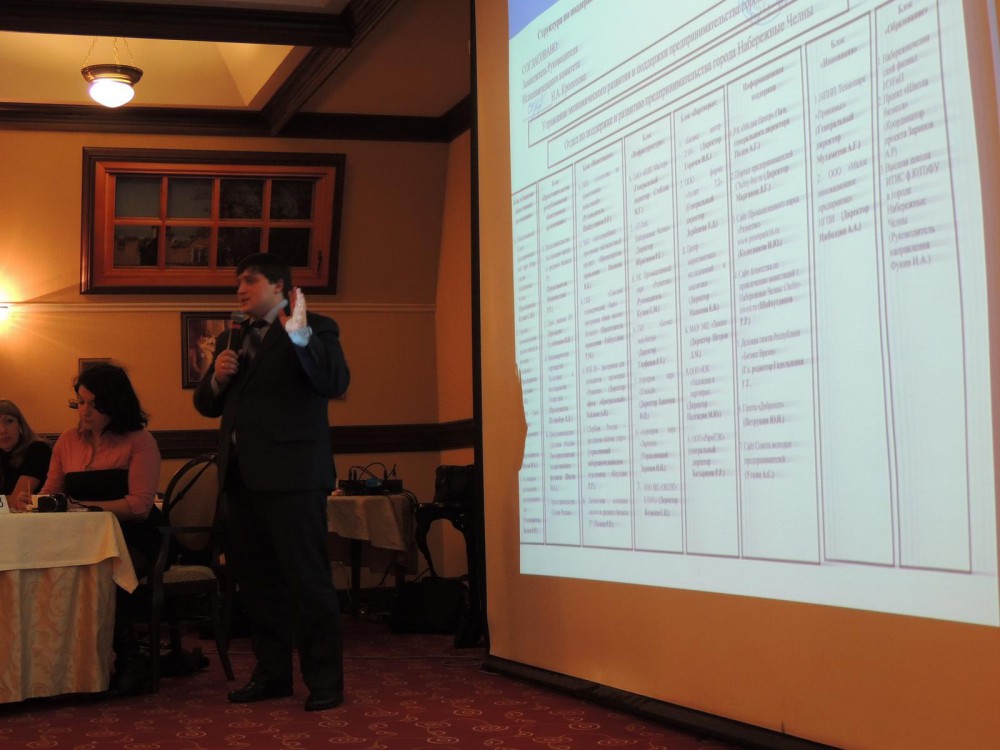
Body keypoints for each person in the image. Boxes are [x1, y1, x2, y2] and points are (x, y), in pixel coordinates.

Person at [194, 252, 350, 712]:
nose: (240, 290)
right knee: (258, 585)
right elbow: (206, 405)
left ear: (280, 287)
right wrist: (216, 378)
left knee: (308, 582)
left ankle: (325, 682)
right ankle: (272, 675)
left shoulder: (315, 327)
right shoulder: (232, 336)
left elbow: (333, 380)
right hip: (241, 480)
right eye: (238, 282)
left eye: (250, 281)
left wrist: (299, 336)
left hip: (294, 478)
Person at [40, 363, 162, 696]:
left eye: (95, 404)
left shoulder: (140, 441)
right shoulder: (67, 441)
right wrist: (35, 502)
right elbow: (52, 492)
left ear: (115, 403)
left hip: (133, 539)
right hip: (82, 540)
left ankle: (131, 661)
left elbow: (139, 506)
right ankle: (65, 666)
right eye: (80, 402)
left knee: (101, 570)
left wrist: (85, 509)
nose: (85, 411)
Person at [0, 399, 52, 511]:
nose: (2, 430)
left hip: (35, 519)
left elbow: (16, 501)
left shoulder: (38, 450)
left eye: (9, 421)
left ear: (20, 424)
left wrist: (7, 500)